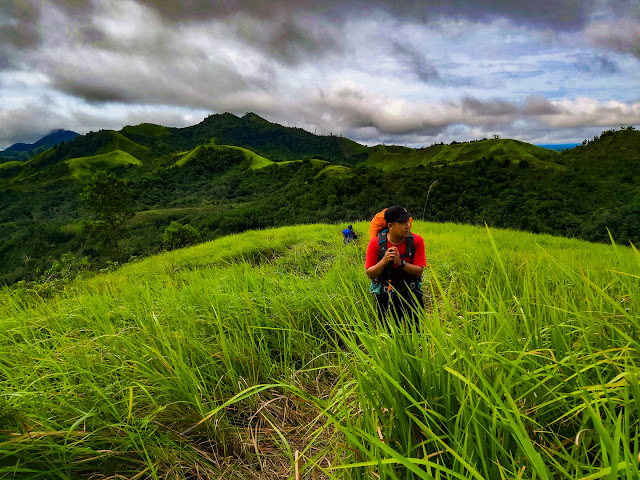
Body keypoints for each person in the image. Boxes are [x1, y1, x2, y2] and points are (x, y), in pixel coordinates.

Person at [365, 206, 426, 323]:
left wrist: (401, 263)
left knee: (417, 333)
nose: (407, 225)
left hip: (411, 293)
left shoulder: (417, 241)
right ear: (390, 226)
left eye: (407, 221)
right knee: (391, 335)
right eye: (402, 222)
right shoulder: (375, 244)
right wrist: (384, 261)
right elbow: (370, 274)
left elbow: (419, 270)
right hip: (386, 295)